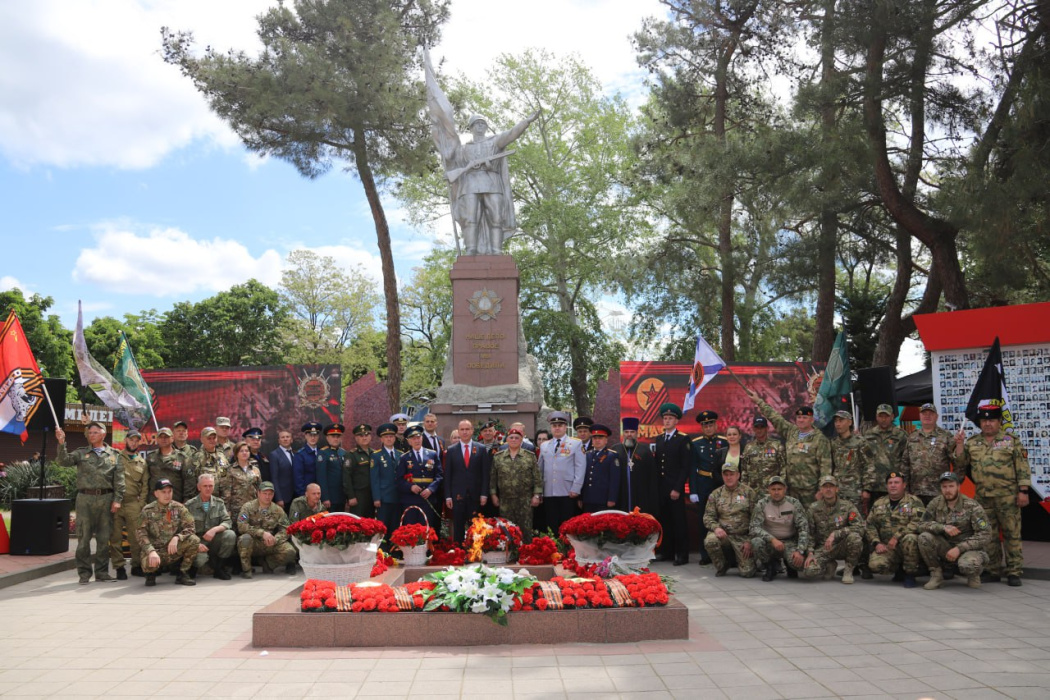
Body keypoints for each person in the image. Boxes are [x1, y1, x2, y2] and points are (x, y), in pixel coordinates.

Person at [424, 51, 540, 256]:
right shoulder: (463, 149)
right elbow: (452, 161)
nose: (480, 126)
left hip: (492, 182)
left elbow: (512, 133)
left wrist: (527, 121)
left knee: (496, 216)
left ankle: (495, 251)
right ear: (470, 127)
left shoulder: (495, 142)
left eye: (483, 123)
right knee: (471, 218)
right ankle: (471, 250)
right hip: (469, 184)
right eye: (476, 124)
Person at [953, 404, 1029, 587]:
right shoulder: (972, 442)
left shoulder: (1011, 440)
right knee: (989, 535)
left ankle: (1014, 571)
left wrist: (1023, 491)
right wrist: (960, 446)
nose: (988, 424)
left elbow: (1022, 467)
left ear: (999, 422)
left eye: (992, 420)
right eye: (984, 420)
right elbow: (960, 466)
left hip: (1008, 496)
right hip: (983, 497)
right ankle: (993, 570)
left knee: (1012, 534)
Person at [55, 422, 124, 584]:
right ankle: (84, 574)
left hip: (106, 499)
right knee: (83, 537)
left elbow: (119, 479)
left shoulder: (114, 454)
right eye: (90, 432)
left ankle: (102, 573)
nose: (91, 435)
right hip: (85, 499)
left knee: (103, 537)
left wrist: (118, 499)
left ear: (103, 434)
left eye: (95, 432)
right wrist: (61, 443)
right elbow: (63, 461)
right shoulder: (81, 453)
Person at [743, 386, 831, 505]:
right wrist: (759, 401)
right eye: (799, 417)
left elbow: (826, 467)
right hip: (791, 490)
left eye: (805, 417)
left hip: (810, 490)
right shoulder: (791, 432)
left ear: (812, 420)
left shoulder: (820, 439)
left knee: (810, 521)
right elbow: (775, 417)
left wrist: (822, 489)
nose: (801, 420)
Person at [917, 472, 991, 589]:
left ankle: (973, 574)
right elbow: (921, 525)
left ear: (958, 487)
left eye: (951, 486)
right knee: (924, 537)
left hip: (967, 549)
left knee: (968, 564)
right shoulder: (935, 503)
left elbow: (985, 534)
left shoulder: (972, 506)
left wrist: (959, 548)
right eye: (944, 487)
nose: (948, 490)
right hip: (946, 547)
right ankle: (936, 574)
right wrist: (942, 527)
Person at [865, 471, 925, 588]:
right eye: (890, 483)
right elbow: (870, 524)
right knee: (875, 565)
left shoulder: (914, 502)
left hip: (907, 546)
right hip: (888, 547)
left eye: (896, 482)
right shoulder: (879, 503)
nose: (893, 485)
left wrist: (897, 536)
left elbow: (918, 522)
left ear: (904, 485)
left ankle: (910, 573)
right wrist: (877, 543)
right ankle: (898, 570)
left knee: (910, 538)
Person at [136, 478, 199, 587]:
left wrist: (177, 537)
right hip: (155, 551)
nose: (167, 495)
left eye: (169, 491)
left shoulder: (179, 508)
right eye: (163, 492)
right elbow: (140, 533)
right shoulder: (147, 510)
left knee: (194, 540)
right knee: (148, 564)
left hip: (172, 549)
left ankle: (183, 573)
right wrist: (150, 551)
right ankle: (151, 574)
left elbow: (191, 526)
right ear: (156, 493)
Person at [802, 476, 865, 584]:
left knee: (855, 538)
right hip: (824, 548)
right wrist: (810, 553)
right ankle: (830, 564)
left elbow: (860, 527)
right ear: (821, 490)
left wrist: (836, 533)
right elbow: (810, 533)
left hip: (842, 545)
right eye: (825, 487)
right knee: (809, 571)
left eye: (831, 486)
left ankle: (848, 570)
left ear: (837, 489)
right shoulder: (814, 508)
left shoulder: (847, 506)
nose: (828, 489)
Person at [653, 403, 693, 566]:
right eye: (665, 418)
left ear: (676, 421)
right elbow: (658, 465)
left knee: (678, 522)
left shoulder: (683, 439)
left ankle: (682, 554)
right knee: (665, 521)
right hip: (662, 488)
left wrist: (677, 488)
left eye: (670, 418)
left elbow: (685, 467)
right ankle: (666, 551)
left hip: (675, 488)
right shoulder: (660, 439)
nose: (667, 421)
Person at [750, 475, 811, 582]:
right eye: (773, 489)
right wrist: (772, 539)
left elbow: (804, 528)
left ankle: (789, 565)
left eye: (779, 489)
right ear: (768, 490)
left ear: (785, 489)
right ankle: (770, 566)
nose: (776, 492)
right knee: (756, 542)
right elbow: (754, 527)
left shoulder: (794, 503)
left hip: (789, 542)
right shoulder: (762, 504)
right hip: (770, 542)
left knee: (804, 568)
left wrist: (800, 551)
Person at [703, 462, 758, 577]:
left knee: (747, 572)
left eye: (731, 474)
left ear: (738, 475)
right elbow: (708, 516)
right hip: (724, 535)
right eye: (726, 475)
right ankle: (723, 565)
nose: (729, 477)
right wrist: (716, 528)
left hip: (742, 536)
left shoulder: (749, 492)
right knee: (710, 541)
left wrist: (750, 540)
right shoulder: (716, 494)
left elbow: (756, 519)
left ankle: (743, 561)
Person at [538, 411, 586, 536]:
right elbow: (540, 469)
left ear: (565, 427)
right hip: (549, 491)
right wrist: (539, 491)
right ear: (551, 427)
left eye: (560, 425)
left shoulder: (575, 443)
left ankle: (567, 550)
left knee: (567, 525)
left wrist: (576, 488)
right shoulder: (544, 445)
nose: (557, 428)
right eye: (554, 425)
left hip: (568, 491)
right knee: (551, 523)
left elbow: (580, 467)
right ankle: (554, 551)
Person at [490, 427, 543, 540]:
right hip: (505, 501)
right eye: (511, 437)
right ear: (507, 440)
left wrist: (537, 495)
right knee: (507, 530)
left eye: (517, 438)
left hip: (525, 501)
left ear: (521, 440)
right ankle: (510, 555)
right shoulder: (498, 457)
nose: (514, 440)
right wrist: (493, 495)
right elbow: (493, 478)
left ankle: (526, 554)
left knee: (526, 530)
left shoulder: (530, 456)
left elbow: (537, 478)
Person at [110, 430, 150, 580]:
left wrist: (141, 503)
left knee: (136, 536)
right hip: (116, 502)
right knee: (115, 536)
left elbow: (145, 485)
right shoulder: (116, 457)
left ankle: (136, 565)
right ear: (126, 440)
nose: (134, 442)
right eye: (131, 439)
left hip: (133, 503)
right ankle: (119, 567)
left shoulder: (142, 462)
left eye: (136, 440)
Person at [690, 410, 728, 565]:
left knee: (723, 517)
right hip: (703, 483)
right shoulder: (696, 443)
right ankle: (705, 554)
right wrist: (693, 490)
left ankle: (724, 554)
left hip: (720, 484)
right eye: (705, 425)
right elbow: (692, 467)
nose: (708, 427)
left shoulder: (724, 441)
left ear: (716, 425)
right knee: (704, 520)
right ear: (701, 427)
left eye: (711, 424)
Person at [236, 481, 297, 578]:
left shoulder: (278, 510)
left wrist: (275, 539)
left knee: (290, 552)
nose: (267, 496)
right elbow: (241, 525)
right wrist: (261, 533)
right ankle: (246, 570)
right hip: (254, 542)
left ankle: (268, 564)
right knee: (244, 539)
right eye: (265, 493)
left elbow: (286, 529)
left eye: (270, 494)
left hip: (270, 543)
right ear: (258, 493)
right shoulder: (248, 507)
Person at [445, 419, 492, 542]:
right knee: (458, 527)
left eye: (467, 429)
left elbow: (485, 474)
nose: (465, 432)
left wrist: (484, 494)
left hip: (476, 496)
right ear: (458, 431)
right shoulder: (451, 450)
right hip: (458, 496)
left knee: (476, 528)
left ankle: (475, 553)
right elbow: (448, 475)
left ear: (472, 431)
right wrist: (448, 496)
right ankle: (459, 553)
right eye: (462, 429)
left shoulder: (481, 449)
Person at [901, 403, 956, 505]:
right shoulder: (912, 437)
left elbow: (957, 461)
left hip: (939, 492)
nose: (927, 416)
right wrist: (905, 489)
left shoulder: (946, 436)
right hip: (916, 492)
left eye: (931, 413)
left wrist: (953, 485)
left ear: (936, 416)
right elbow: (905, 465)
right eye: (924, 413)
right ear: (920, 416)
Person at [184, 473, 235, 580]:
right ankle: (192, 570)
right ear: (199, 487)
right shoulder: (189, 505)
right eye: (205, 486)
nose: (208, 488)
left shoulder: (219, 503)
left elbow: (227, 521)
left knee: (230, 535)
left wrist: (215, 529)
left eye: (210, 486)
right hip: (197, 541)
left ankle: (219, 568)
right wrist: (196, 543)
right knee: (200, 560)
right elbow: (184, 529)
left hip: (213, 539)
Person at [396, 425, 443, 531]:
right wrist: (410, 487)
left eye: (418, 437)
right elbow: (399, 479)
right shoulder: (404, 458)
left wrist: (431, 489)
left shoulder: (432, 454)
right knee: (411, 530)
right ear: (409, 441)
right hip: (410, 499)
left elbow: (439, 475)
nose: (416, 440)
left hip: (428, 499)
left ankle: (426, 548)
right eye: (413, 438)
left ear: (422, 438)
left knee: (426, 529)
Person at [829, 410, 877, 514]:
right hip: (837, 491)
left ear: (850, 422)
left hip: (855, 491)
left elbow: (869, 465)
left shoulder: (860, 442)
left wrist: (867, 489)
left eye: (841, 420)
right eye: (836, 421)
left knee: (855, 520)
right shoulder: (833, 443)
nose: (838, 424)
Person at [863, 404, 907, 502]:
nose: (883, 419)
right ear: (876, 417)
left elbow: (905, 460)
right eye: (881, 416)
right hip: (874, 485)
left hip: (894, 484)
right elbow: (865, 460)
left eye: (886, 416)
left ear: (892, 417)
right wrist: (866, 487)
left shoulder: (900, 435)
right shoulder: (868, 435)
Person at [371, 423, 402, 544]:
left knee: (396, 525)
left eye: (391, 436)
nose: (389, 439)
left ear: (395, 438)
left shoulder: (400, 454)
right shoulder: (376, 455)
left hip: (398, 496)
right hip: (384, 497)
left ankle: (395, 550)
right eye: (386, 437)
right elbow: (374, 479)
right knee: (383, 526)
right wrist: (376, 498)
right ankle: (383, 551)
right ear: (381, 439)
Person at [579, 424, 621, 513]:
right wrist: (581, 497)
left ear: (606, 440)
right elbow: (583, 477)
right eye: (594, 438)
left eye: (600, 438)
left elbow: (615, 480)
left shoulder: (612, 456)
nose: (597, 440)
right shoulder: (587, 455)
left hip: (603, 500)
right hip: (588, 499)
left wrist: (612, 498)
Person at [146, 427, 192, 503]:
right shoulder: (150, 457)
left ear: (172, 438)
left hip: (175, 501)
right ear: (157, 439)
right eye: (161, 437)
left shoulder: (182, 457)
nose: (163, 439)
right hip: (154, 503)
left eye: (166, 437)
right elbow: (145, 479)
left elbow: (189, 481)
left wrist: (186, 500)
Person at [741, 416, 785, 493]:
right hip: (753, 492)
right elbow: (744, 471)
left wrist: (780, 487)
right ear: (753, 428)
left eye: (762, 427)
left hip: (771, 492)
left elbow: (783, 469)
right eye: (757, 427)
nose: (759, 430)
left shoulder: (776, 446)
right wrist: (744, 488)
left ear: (767, 428)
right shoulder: (748, 447)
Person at [220, 441, 261, 522]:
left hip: (253, 508)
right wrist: (227, 510)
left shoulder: (255, 469)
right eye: (241, 451)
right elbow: (226, 492)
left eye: (246, 451)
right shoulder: (229, 470)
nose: (244, 453)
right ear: (236, 453)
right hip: (236, 509)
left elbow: (259, 489)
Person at [343, 424, 375, 517]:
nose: (364, 438)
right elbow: (346, 477)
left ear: (370, 436)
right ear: (356, 438)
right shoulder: (351, 455)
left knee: (370, 523)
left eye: (367, 435)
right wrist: (351, 496)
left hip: (372, 495)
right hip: (358, 495)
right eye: (361, 435)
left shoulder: (374, 453)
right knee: (357, 523)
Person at [316, 423, 347, 510]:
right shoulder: (323, 453)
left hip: (342, 496)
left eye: (338, 436)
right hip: (330, 498)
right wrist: (325, 497)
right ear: (327, 438)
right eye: (333, 436)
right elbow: (321, 477)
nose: (336, 439)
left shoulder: (343, 453)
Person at [268, 430, 296, 510]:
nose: (285, 439)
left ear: (291, 439)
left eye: (287, 437)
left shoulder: (295, 454)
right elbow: (274, 478)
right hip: (283, 497)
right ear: (279, 441)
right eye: (282, 437)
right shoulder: (274, 455)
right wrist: (278, 498)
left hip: (295, 496)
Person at [293, 421, 322, 498]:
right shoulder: (300, 455)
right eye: (310, 435)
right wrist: (303, 496)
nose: (313, 438)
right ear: (305, 436)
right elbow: (298, 479)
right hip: (307, 495)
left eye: (315, 435)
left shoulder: (322, 452)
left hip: (321, 495)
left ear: (318, 436)